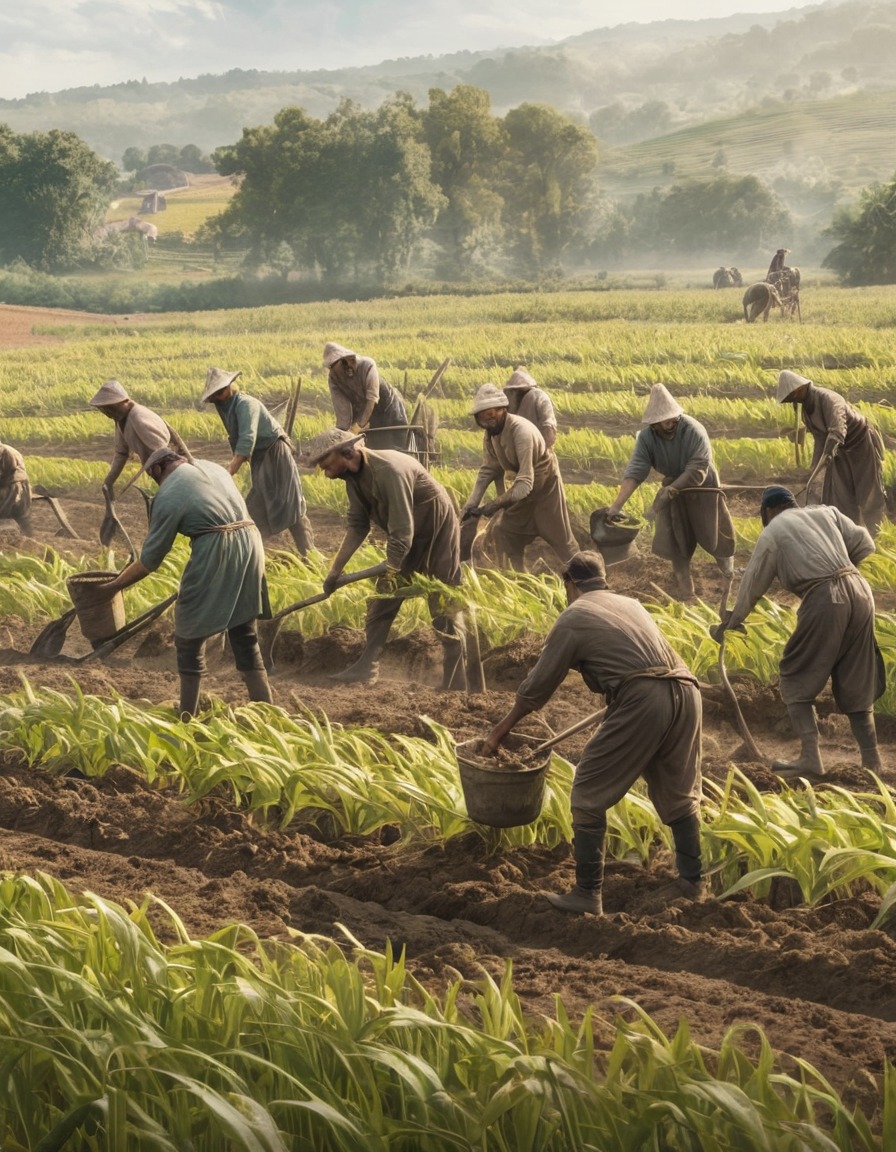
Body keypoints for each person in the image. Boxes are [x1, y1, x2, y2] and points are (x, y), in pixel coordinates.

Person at [484, 550, 703, 915]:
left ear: (569, 583)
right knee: (678, 790)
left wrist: (498, 732)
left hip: (646, 696)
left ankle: (588, 894)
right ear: (603, 582)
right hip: (686, 691)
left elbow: (537, 686)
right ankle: (693, 881)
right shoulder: (630, 604)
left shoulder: (575, 615)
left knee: (587, 790)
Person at [712, 486, 882, 777]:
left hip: (825, 597)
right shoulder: (825, 512)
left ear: (768, 512)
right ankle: (872, 760)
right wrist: (838, 565)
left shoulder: (774, 531)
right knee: (855, 677)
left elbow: (753, 581)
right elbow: (866, 542)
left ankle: (810, 758)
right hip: (860, 591)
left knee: (794, 676)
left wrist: (732, 620)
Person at [99, 449, 273, 718]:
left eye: (151, 476)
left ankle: (186, 716)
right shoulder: (212, 467)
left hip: (219, 548)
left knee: (189, 633)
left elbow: (149, 561)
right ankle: (267, 712)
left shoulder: (168, 494)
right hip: (251, 542)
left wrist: (113, 587)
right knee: (244, 633)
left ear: (157, 470)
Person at [307, 427, 468, 688]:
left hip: (435, 526)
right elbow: (358, 524)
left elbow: (402, 536)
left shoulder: (389, 471)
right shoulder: (352, 477)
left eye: (326, 465)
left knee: (443, 602)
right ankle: (366, 666)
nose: (325, 473)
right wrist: (335, 572)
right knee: (382, 598)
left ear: (347, 452)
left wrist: (390, 566)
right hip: (407, 533)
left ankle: (458, 681)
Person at [606, 383, 735, 599]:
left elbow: (698, 468)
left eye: (672, 418)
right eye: (664, 420)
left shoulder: (694, 431)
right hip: (674, 488)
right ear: (654, 423)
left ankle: (728, 574)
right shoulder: (647, 438)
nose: (670, 422)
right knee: (677, 538)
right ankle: (687, 592)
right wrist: (617, 505)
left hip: (702, 486)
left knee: (713, 533)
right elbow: (636, 470)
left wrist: (672, 489)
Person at [461, 383, 578, 571]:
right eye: (483, 417)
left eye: (492, 415)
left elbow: (525, 482)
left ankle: (585, 575)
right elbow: (489, 469)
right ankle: (519, 576)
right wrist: (471, 503)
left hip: (544, 487)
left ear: (503, 410)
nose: (488, 421)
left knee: (560, 538)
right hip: (523, 490)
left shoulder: (520, 431)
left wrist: (496, 503)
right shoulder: (491, 434)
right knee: (504, 532)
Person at [201, 367, 314, 556]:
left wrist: (227, 473)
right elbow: (236, 439)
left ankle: (311, 556)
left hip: (276, 455)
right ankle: (251, 556)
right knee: (255, 508)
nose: (219, 397)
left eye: (221, 392)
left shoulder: (246, 404)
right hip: (261, 459)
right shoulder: (227, 409)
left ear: (230, 387)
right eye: (215, 395)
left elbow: (247, 439)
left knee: (290, 504)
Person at [777, 370, 886, 537]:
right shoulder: (807, 410)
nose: (792, 401)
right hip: (840, 452)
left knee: (868, 493)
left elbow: (837, 432)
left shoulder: (829, 399)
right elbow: (821, 440)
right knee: (842, 495)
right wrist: (814, 469)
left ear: (799, 390)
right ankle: (851, 534)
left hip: (861, 445)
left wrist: (827, 456)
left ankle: (877, 536)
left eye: (791, 396)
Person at [89, 379, 190, 497]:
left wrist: (155, 466)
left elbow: (162, 450)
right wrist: (109, 482)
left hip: (167, 467)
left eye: (110, 408)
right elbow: (121, 453)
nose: (107, 412)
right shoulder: (121, 420)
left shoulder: (139, 417)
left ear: (125, 402)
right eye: (104, 409)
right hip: (156, 469)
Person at [323, 342, 410, 451]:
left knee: (391, 446)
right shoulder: (334, 378)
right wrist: (343, 433)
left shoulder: (367, 365)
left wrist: (359, 425)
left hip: (387, 409)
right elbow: (342, 407)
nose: (332, 370)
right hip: (363, 410)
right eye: (332, 367)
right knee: (370, 447)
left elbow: (372, 400)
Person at [503, 368, 557, 450]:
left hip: (536, 452)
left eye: (510, 392)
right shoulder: (536, 397)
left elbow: (548, 430)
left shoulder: (538, 396)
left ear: (515, 391)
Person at [0, 441, 33, 535]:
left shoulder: (4, 452)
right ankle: (27, 536)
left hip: (12, 487)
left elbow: (7, 472)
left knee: (4, 514)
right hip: (19, 485)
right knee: (22, 517)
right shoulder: (8, 449)